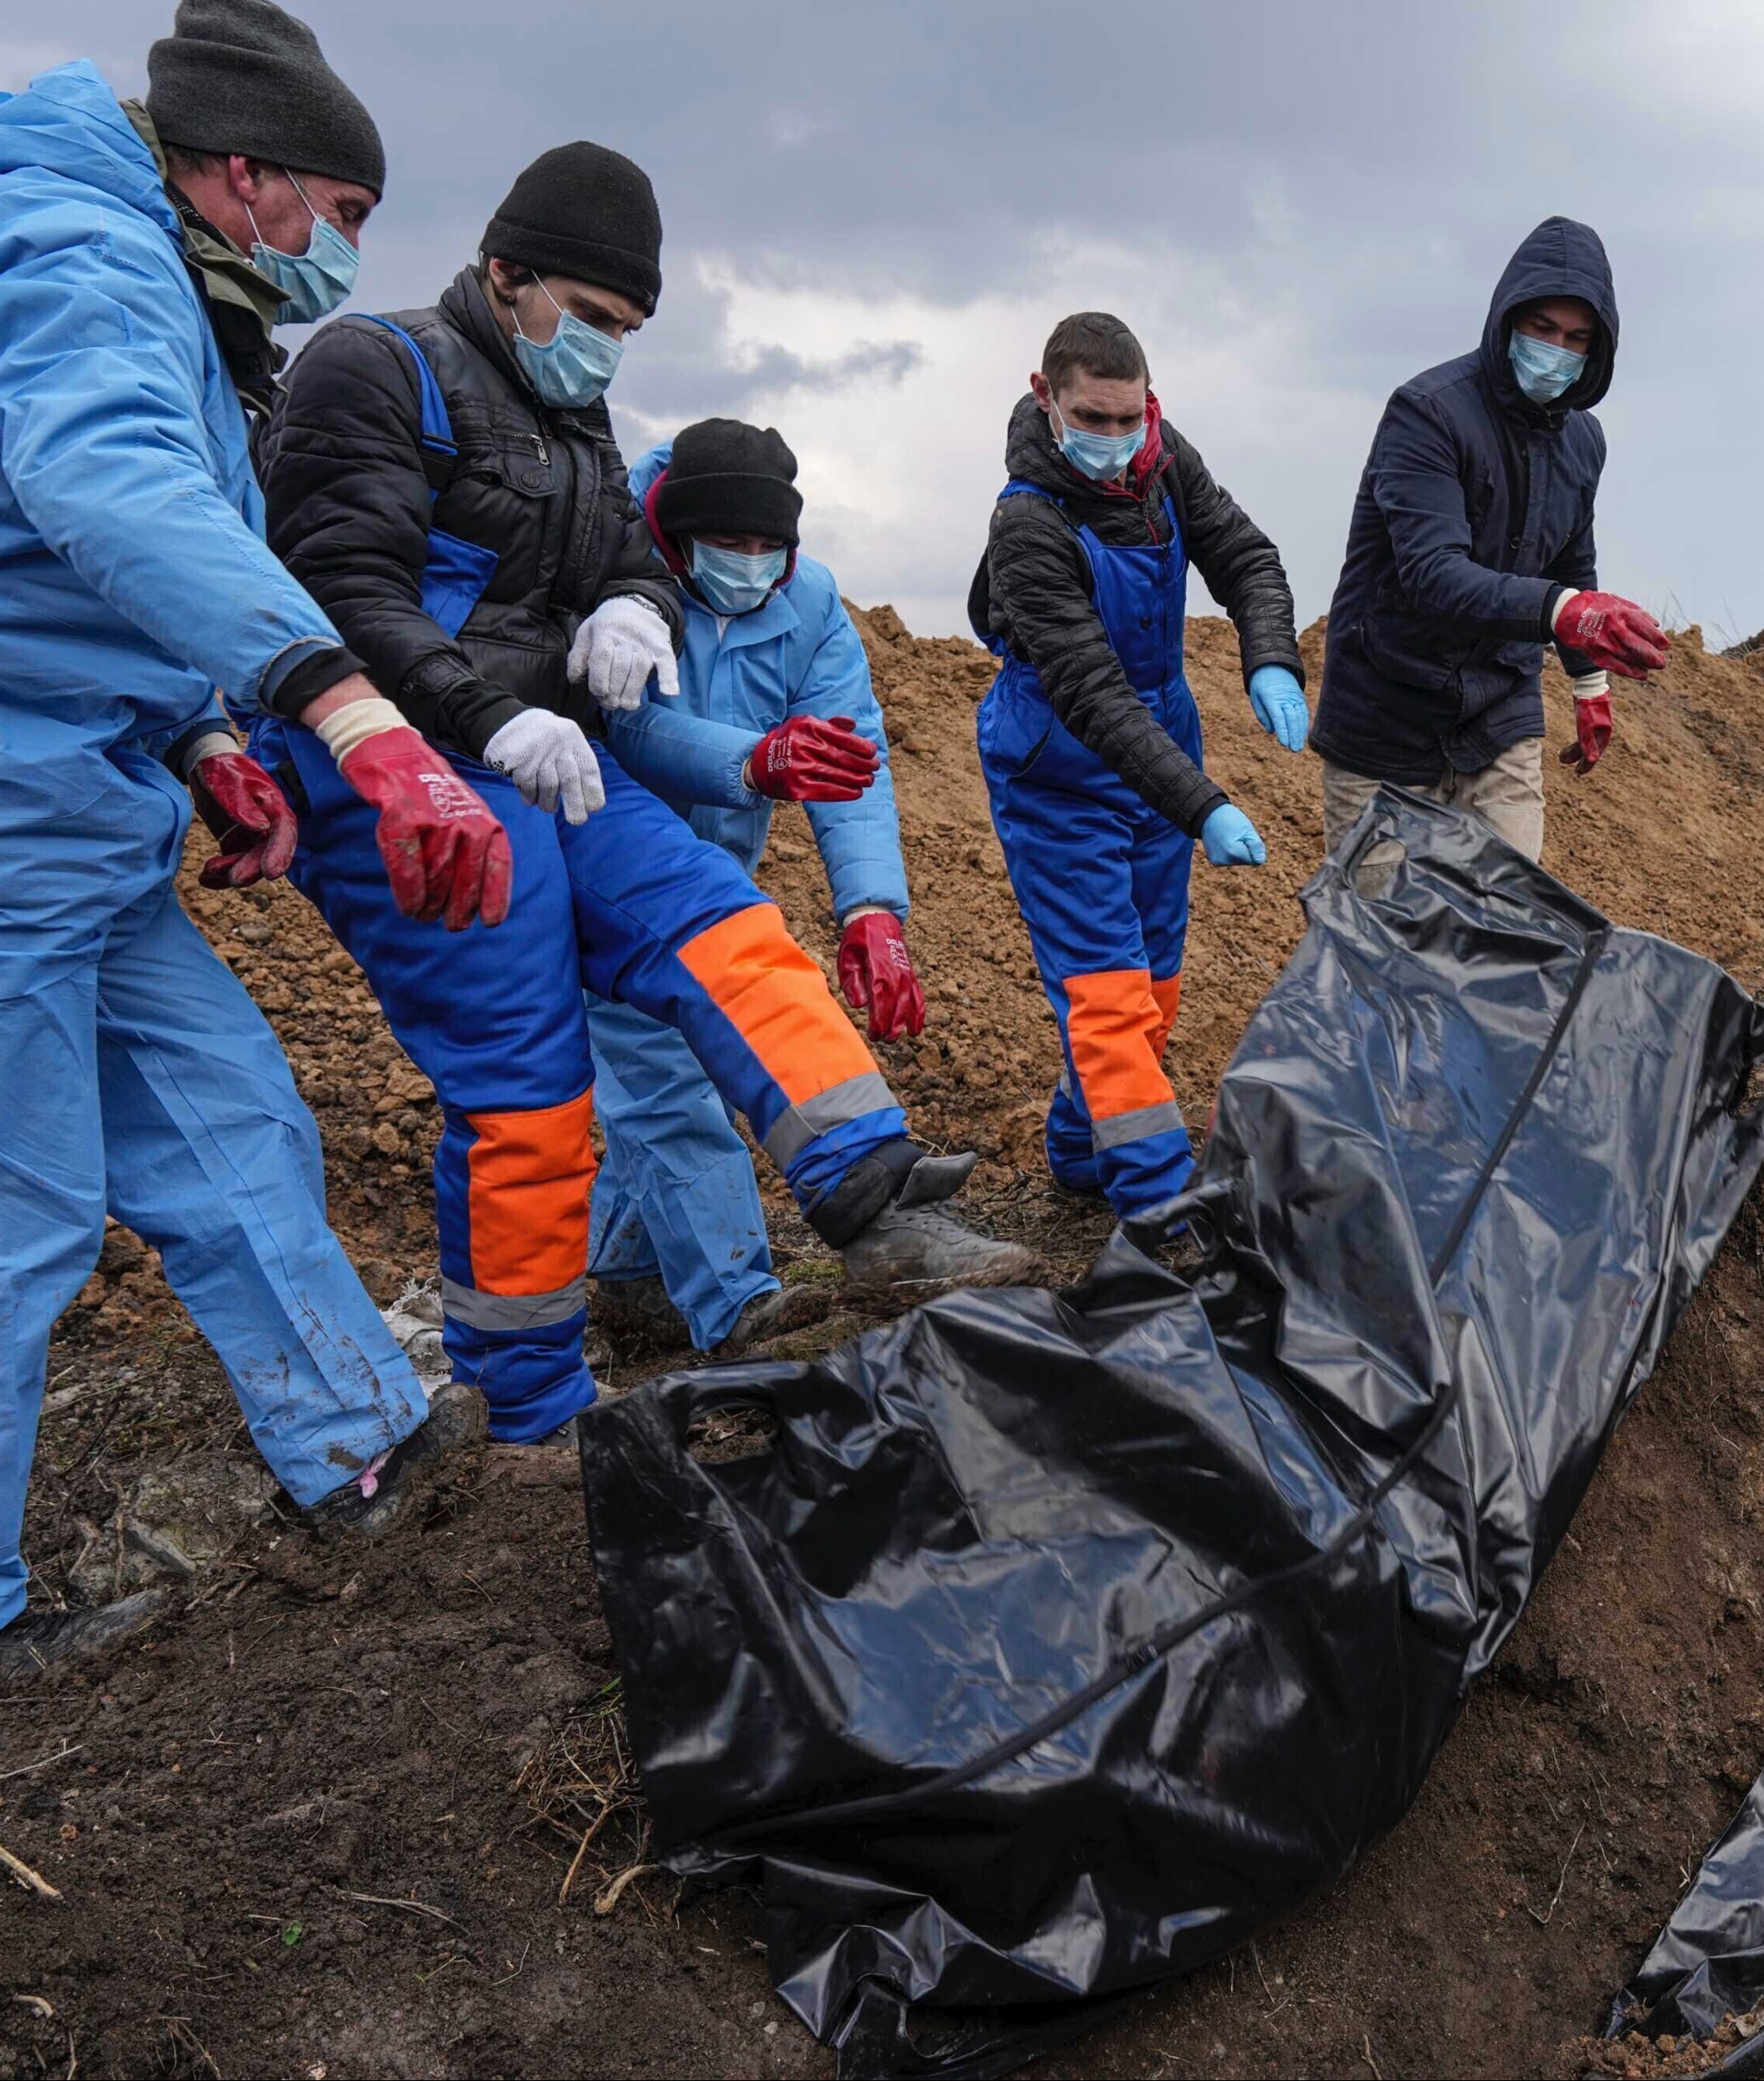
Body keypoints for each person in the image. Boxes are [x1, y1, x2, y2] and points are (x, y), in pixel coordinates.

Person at [257, 143, 1030, 1447]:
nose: (609, 349)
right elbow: (341, 588)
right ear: (506, 275)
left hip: (549, 754)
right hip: (399, 761)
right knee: (531, 1086)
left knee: (724, 924)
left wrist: (630, 602)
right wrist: (488, 716)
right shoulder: (372, 367)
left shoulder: (571, 418)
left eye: (628, 329)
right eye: (597, 317)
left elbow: (629, 555)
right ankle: (533, 1410)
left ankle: (876, 1194)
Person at [0, 1, 479, 1677]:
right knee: (20, 1210)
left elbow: (55, 579)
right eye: (342, 216)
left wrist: (207, 737)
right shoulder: (80, 249)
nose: (344, 251)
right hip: (8, 818)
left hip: (82, 809)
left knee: (230, 1120)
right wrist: (344, 713)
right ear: (249, 173)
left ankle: (358, 1444)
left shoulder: (159, 282)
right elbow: (109, 491)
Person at [583, 418, 920, 1356]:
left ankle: (626, 1276)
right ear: (676, 531)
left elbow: (855, 757)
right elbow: (625, 726)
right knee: (663, 1079)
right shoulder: (618, 579)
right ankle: (737, 1303)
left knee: (660, 1075)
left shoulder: (807, 603)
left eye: (769, 546)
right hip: (606, 867)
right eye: (728, 545)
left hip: (716, 877)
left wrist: (870, 908)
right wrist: (754, 760)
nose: (750, 563)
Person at [970, 311, 1305, 1218]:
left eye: (1129, 419)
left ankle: (1081, 1150)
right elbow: (1088, 689)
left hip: (1160, 746)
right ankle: (1159, 1210)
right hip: (1060, 770)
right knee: (1108, 997)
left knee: (1153, 984)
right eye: (1092, 419)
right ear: (1046, 398)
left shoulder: (1163, 459)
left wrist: (1268, 650)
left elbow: (1244, 554)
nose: (1115, 441)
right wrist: (1203, 805)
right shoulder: (1027, 525)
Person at [1311, 215, 1669, 863]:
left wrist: (1588, 684)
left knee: (1510, 933)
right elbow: (1433, 574)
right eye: (1543, 329)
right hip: (1387, 710)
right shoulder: (1428, 414)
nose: (1557, 349)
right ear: (1508, 320)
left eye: (1578, 338)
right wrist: (1563, 611)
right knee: (1383, 946)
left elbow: (1571, 560)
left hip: (1499, 711)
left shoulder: (1583, 440)